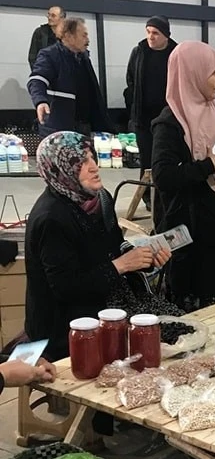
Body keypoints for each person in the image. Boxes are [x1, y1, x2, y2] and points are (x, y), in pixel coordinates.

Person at [25, 132, 170, 362]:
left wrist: (143, 258)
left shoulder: (100, 199)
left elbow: (115, 246)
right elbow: (66, 288)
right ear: (60, 170)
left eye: (92, 157)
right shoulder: (51, 218)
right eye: (81, 163)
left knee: (173, 333)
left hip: (107, 302)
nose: (94, 167)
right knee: (152, 348)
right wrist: (121, 266)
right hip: (69, 325)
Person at [152, 41, 215, 310]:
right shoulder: (170, 122)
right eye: (213, 72)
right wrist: (208, 166)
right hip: (195, 244)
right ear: (192, 73)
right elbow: (164, 176)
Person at [124, 16, 177, 211]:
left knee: (165, 159)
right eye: (148, 32)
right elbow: (130, 79)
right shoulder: (139, 52)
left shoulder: (175, 54)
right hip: (144, 119)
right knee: (146, 160)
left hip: (168, 118)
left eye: (155, 33)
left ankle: (166, 196)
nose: (150, 36)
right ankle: (147, 196)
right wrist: (134, 104)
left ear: (165, 35)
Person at [27, 18, 112, 139]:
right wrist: (40, 101)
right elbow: (36, 80)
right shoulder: (50, 55)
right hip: (58, 129)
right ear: (69, 36)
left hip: (83, 127)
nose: (88, 40)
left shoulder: (83, 59)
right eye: (84, 35)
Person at [28, 5, 65, 69]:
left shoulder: (69, 34)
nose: (49, 18)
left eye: (53, 16)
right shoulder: (39, 32)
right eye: (48, 15)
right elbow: (32, 56)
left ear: (62, 18)